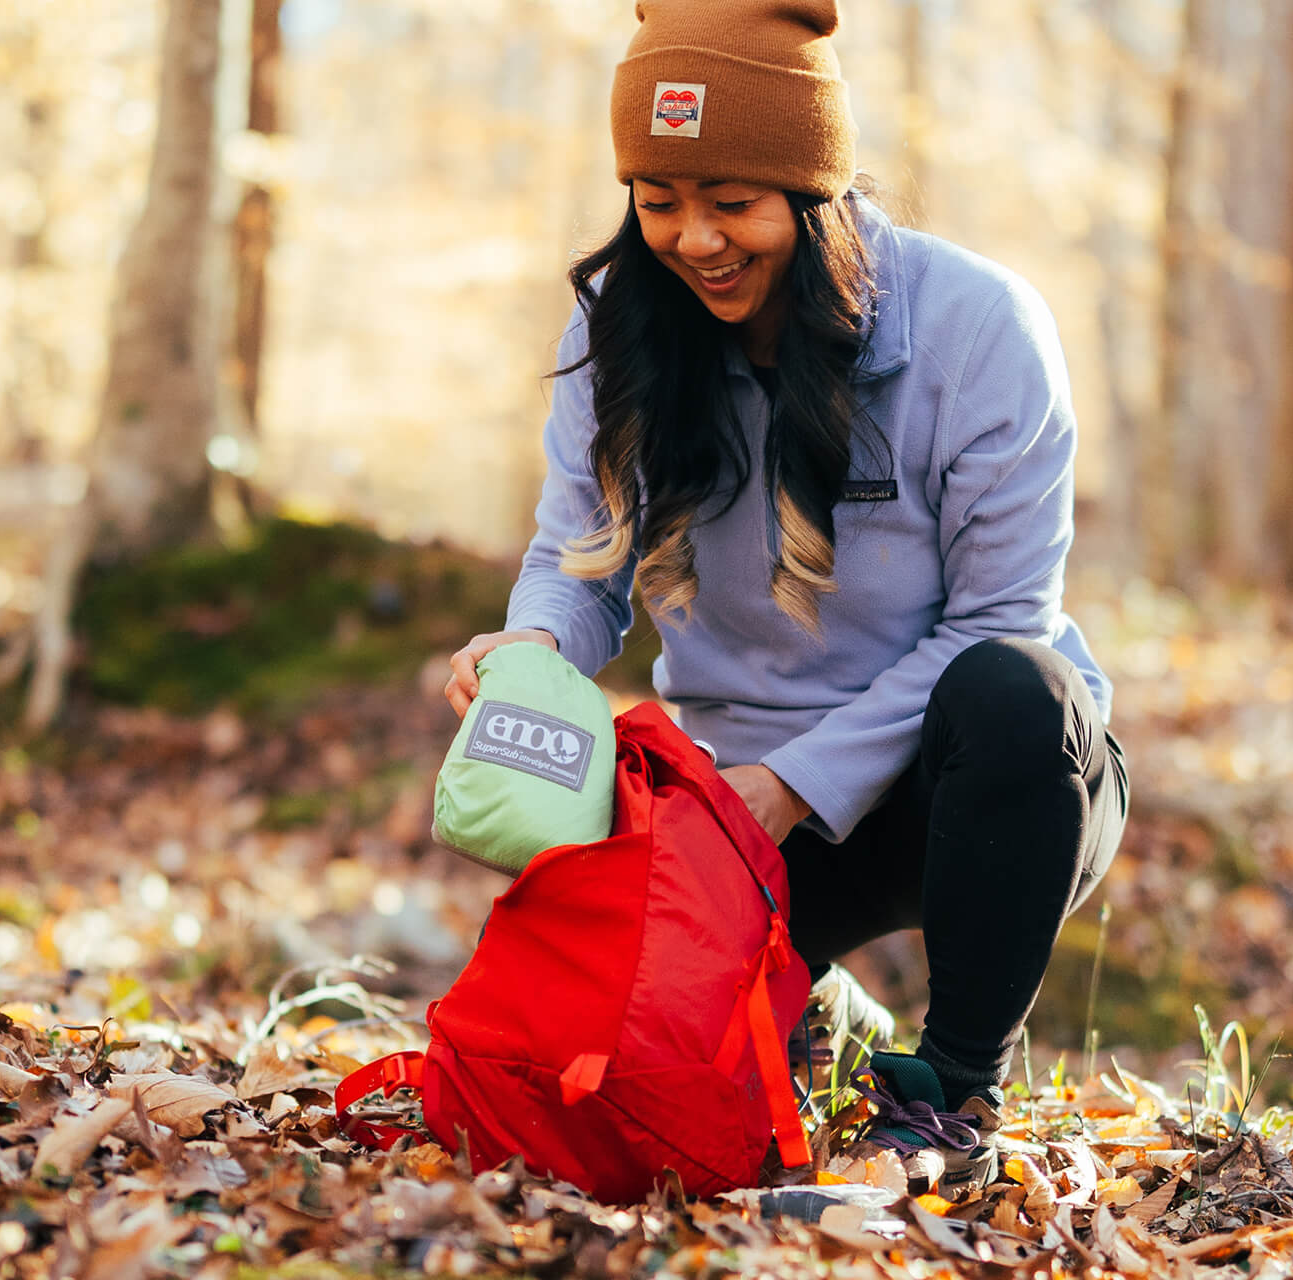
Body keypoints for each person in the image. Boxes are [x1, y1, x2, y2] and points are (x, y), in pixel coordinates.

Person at [442, 0, 1128, 1197]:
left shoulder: (977, 330)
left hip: (974, 795)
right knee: (610, 1098)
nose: (694, 240)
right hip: (728, 817)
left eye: (731, 202)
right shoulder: (621, 327)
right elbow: (581, 557)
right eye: (658, 201)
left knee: (1018, 687)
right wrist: (534, 649)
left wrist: (793, 784)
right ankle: (815, 1005)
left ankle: (959, 1091)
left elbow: (1001, 619)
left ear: (812, 190)